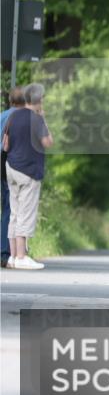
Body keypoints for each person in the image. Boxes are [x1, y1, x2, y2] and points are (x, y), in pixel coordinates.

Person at [2, 83, 52, 270]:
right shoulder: (36, 119)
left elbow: (5, 145)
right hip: (28, 170)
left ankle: (14, 256)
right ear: (38, 101)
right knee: (26, 213)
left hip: (11, 168)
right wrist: (43, 119)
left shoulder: (13, 116)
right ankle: (22, 256)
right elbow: (48, 142)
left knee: (14, 212)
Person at [1, 86, 26, 268]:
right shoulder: (22, 119)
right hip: (11, 164)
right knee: (11, 209)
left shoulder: (2, 115)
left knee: (8, 207)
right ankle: (6, 252)